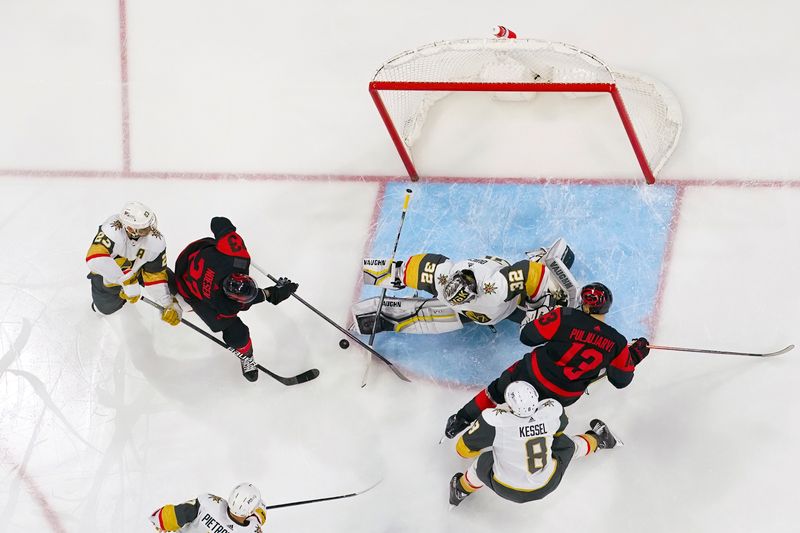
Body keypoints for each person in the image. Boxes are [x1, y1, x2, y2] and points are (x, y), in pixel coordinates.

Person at [444, 282, 650, 438]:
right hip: (564, 395)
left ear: (583, 303)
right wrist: (635, 355)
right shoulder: (617, 342)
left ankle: (462, 418)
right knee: (539, 417)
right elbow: (620, 379)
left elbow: (528, 337)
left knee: (497, 389)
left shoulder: (565, 315)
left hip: (532, 374)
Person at [351, 238, 579, 335]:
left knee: (545, 315)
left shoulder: (492, 286)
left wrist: (392, 273)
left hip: (508, 307)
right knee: (545, 310)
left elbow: (528, 272)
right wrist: (393, 273)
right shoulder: (447, 280)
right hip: (498, 307)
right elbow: (528, 272)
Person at [448, 381, 619, 506]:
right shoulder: (551, 411)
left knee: (481, 462)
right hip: (546, 484)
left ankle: (460, 490)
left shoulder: (495, 421)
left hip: (505, 487)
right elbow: (558, 432)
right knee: (565, 445)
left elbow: (462, 450)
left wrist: (499, 444)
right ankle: (601, 440)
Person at [172, 216, 298, 382]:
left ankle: (141, 275)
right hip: (192, 294)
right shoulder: (225, 305)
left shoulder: (235, 257)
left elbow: (217, 221)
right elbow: (218, 221)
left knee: (157, 275)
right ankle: (246, 355)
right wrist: (271, 294)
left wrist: (225, 231)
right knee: (237, 333)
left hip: (188, 258)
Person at [85, 201, 182, 326]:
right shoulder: (112, 229)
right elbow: (95, 258)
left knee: (175, 289)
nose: (149, 230)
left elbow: (154, 275)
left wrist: (168, 303)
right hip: (109, 274)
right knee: (105, 309)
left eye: (149, 225)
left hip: (139, 269)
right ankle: (105, 303)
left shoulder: (156, 241)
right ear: (130, 228)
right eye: (144, 228)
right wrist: (124, 280)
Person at [149, 482, 267, 532]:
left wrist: (160, 522)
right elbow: (255, 520)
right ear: (250, 511)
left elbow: (177, 514)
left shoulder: (209, 503)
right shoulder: (253, 529)